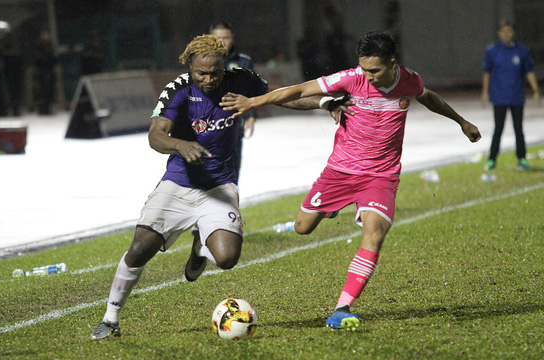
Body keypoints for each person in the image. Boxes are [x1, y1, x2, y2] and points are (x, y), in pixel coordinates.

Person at [89, 34, 347, 340]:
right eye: (202, 73)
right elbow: (155, 135)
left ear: (224, 66)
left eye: (215, 73)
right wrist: (180, 145)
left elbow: (283, 96)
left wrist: (323, 101)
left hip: (220, 188)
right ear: (190, 67)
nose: (209, 79)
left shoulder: (241, 80)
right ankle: (110, 319)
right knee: (139, 249)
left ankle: (200, 247)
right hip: (178, 186)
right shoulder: (178, 90)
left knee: (226, 259)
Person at [221, 30, 481, 331]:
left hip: (381, 176)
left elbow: (429, 97)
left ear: (392, 63)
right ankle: (335, 206)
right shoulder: (351, 78)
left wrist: (462, 121)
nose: (367, 76)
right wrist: (254, 102)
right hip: (340, 172)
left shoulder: (410, 81)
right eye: (363, 68)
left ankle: (342, 308)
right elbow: (299, 90)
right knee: (302, 228)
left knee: (374, 234)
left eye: (374, 70)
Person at [481, 20, 541, 171]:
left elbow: (529, 72)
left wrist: (536, 90)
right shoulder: (492, 51)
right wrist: (485, 91)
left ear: (513, 32)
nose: (506, 34)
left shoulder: (522, 51)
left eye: (508, 31)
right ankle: (491, 160)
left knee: (518, 129)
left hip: (516, 96)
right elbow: (487, 73)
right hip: (499, 97)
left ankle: (521, 159)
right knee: (498, 129)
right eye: (503, 31)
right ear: (498, 33)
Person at [209, 21, 257, 177]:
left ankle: (231, 199)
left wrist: (251, 116)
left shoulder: (244, 61)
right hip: (209, 124)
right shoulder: (202, 61)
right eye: (218, 38)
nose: (222, 42)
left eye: (226, 37)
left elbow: (252, 90)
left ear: (232, 38)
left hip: (234, 123)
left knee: (232, 170)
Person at [33, 31, 58, 115]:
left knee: (49, 92)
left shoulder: (50, 50)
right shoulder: (38, 51)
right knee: (41, 92)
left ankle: (48, 108)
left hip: (49, 74)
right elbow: (37, 62)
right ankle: (42, 109)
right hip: (41, 74)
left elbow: (54, 61)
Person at [2, 31, 25, 116]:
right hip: (9, 74)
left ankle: (16, 108)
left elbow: (21, 61)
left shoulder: (17, 47)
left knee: (17, 91)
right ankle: (13, 108)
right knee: (11, 92)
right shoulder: (5, 48)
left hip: (17, 74)